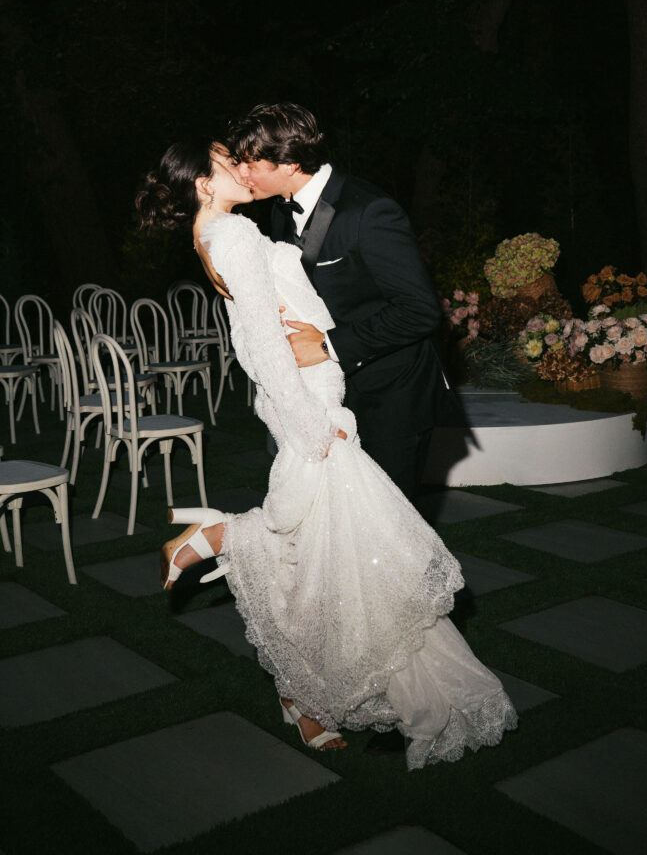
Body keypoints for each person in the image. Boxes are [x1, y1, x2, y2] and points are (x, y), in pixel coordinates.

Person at [136, 140, 517, 770]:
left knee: (315, 559)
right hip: (308, 403)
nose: (242, 168)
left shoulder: (224, 229)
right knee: (322, 546)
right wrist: (314, 424)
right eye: (228, 163)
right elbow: (259, 343)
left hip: (312, 397)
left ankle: (297, 689)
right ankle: (210, 541)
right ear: (203, 185)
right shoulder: (230, 235)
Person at [225, 102, 460, 503]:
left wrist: (325, 346)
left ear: (289, 163)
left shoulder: (370, 211)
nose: (241, 174)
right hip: (330, 398)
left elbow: (419, 310)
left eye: (250, 164)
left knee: (389, 532)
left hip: (390, 397)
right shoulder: (280, 211)